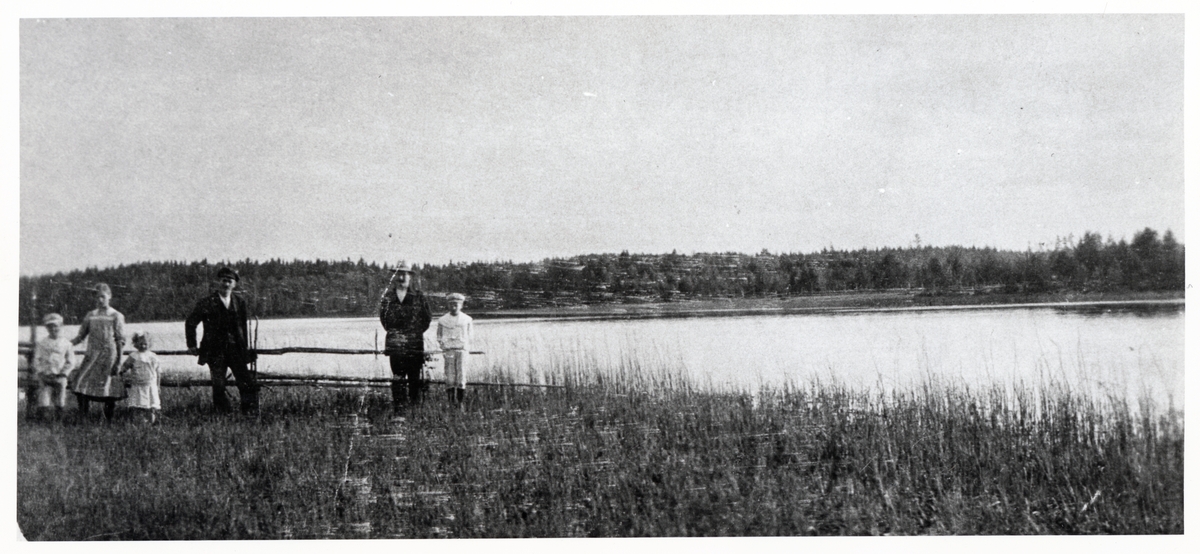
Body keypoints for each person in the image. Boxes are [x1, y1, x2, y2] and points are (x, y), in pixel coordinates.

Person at [185, 267, 258, 414]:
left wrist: (245, 348)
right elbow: (191, 322)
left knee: (246, 382)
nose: (226, 284)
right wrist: (191, 344)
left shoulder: (239, 302)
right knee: (218, 385)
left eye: (229, 281)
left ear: (234, 284)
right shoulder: (207, 302)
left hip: (236, 350)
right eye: (224, 280)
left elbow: (243, 328)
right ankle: (223, 415)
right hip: (215, 351)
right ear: (218, 282)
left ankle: (249, 413)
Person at [379, 260, 432, 412]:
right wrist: (395, 333)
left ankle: (414, 410)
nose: (401, 278)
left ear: (410, 276)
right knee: (398, 377)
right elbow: (383, 318)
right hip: (395, 344)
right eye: (398, 274)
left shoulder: (418, 296)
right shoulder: (388, 297)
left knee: (414, 377)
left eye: (404, 274)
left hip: (414, 344)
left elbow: (427, 318)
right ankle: (399, 409)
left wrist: (414, 333)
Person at [68, 283, 126, 421]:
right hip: (92, 355)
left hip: (109, 356)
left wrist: (118, 362)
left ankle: (108, 420)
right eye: (97, 297)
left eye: (102, 296)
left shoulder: (116, 315)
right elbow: (80, 336)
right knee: (81, 384)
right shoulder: (91, 315)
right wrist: (63, 345)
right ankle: (83, 418)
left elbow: (120, 340)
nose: (100, 300)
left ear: (109, 296)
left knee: (109, 387)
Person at [33, 313, 76, 422]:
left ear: (61, 326)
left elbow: (71, 361)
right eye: (50, 327)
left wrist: (64, 373)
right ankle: (43, 420)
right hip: (45, 375)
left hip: (60, 375)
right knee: (44, 398)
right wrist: (41, 371)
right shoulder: (42, 343)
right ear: (46, 328)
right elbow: (37, 359)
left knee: (60, 398)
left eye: (56, 326)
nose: (53, 329)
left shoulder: (66, 343)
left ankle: (59, 420)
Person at [437, 293, 474, 407]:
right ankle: (451, 402)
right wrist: (444, 346)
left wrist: (465, 346)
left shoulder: (467, 319)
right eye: (451, 304)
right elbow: (439, 336)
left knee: (461, 375)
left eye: (456, 304)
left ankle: (460, 402)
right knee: (450, 376)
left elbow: (470, 335)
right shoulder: (442, 320)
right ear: (448, 305)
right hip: (449, 350)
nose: (453, 307)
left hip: (462, 350)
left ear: (461, 305)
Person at [119, 331, 161, 424]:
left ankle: (150, 423)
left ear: (149, 344)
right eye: (140, 344)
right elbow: (124, 367)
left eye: (145, 344)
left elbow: (158, 372)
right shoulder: (133, 356)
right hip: (137, 385)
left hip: (151, 385)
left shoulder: (153, 356)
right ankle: (135, 423)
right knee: (136, 405)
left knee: (151, 407)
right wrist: (121, 371)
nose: (143, 346)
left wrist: (158, 385)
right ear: (135, 344)